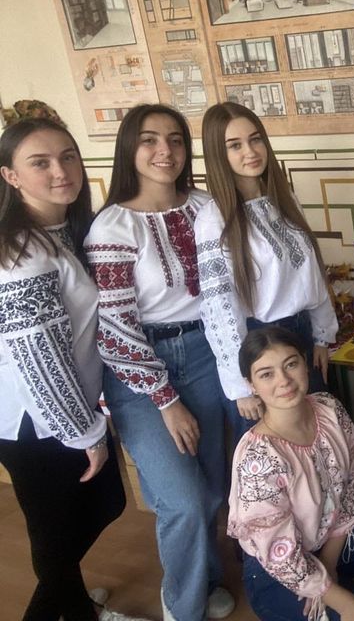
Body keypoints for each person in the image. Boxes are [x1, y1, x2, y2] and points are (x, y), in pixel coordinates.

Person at [84, 104, 233, 621]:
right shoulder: (113, 225)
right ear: (129, 148)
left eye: (175, 139)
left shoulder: (205, 206)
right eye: (149, 139)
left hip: (207, 353)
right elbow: (115, 328)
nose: (164, 151)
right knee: (182, 499)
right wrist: (166, 400)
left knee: (211, 487)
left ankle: (207, 577)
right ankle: (182, 609)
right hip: (139, 369)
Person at [0, 118, 144, 621]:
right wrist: (87, 433)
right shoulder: (22, 255)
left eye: (68, 157)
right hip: (35, 422)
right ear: (11, 176)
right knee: (60, 536)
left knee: (76, 523)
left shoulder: (65, 232)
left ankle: (77, 607)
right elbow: (40, 359)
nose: (60, 171)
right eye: (39, 163)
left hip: (67, 409)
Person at [227, 326, 354, 621]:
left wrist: (328, 564)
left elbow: (352, 487)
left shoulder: (329, 409)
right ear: (251, 385)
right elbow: (280, 557)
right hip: (278, 573)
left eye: (290, 364)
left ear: (305, 363)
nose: (283, 381)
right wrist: (344, 602)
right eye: (266, 374)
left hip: (333, 541)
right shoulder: (258, 459)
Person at [196, 102, 337, 439]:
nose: (250, 151)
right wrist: (239, 384)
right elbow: (219, 306)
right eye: (235, 145)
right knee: (275, 448)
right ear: (219, 154)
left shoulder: (284, 199)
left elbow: (311, 275)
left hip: (301, 336)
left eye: (255, 139)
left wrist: (322, 335)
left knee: (318, 435)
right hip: (260, 347)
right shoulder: (214, 220)